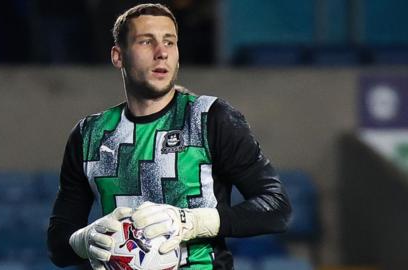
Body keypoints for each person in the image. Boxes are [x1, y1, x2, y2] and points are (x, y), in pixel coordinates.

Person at [47, 3, 291, 270]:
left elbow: (276, 208)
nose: (161, 53)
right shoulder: (88, 135)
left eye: (170, 42)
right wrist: (83, 241)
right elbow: (58, 245)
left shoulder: (211, 117)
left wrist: (192, 222)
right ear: (118, 56)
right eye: (146, 42)